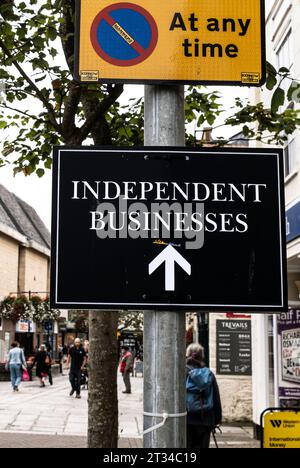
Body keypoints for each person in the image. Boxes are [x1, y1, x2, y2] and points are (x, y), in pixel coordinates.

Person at [186, 343, 222, 449]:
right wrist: (216, 419)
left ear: (188, 355)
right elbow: (216, 398)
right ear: (202, 357)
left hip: (187, 419)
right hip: (205, 419)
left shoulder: (183, 373)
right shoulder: (209, 374)